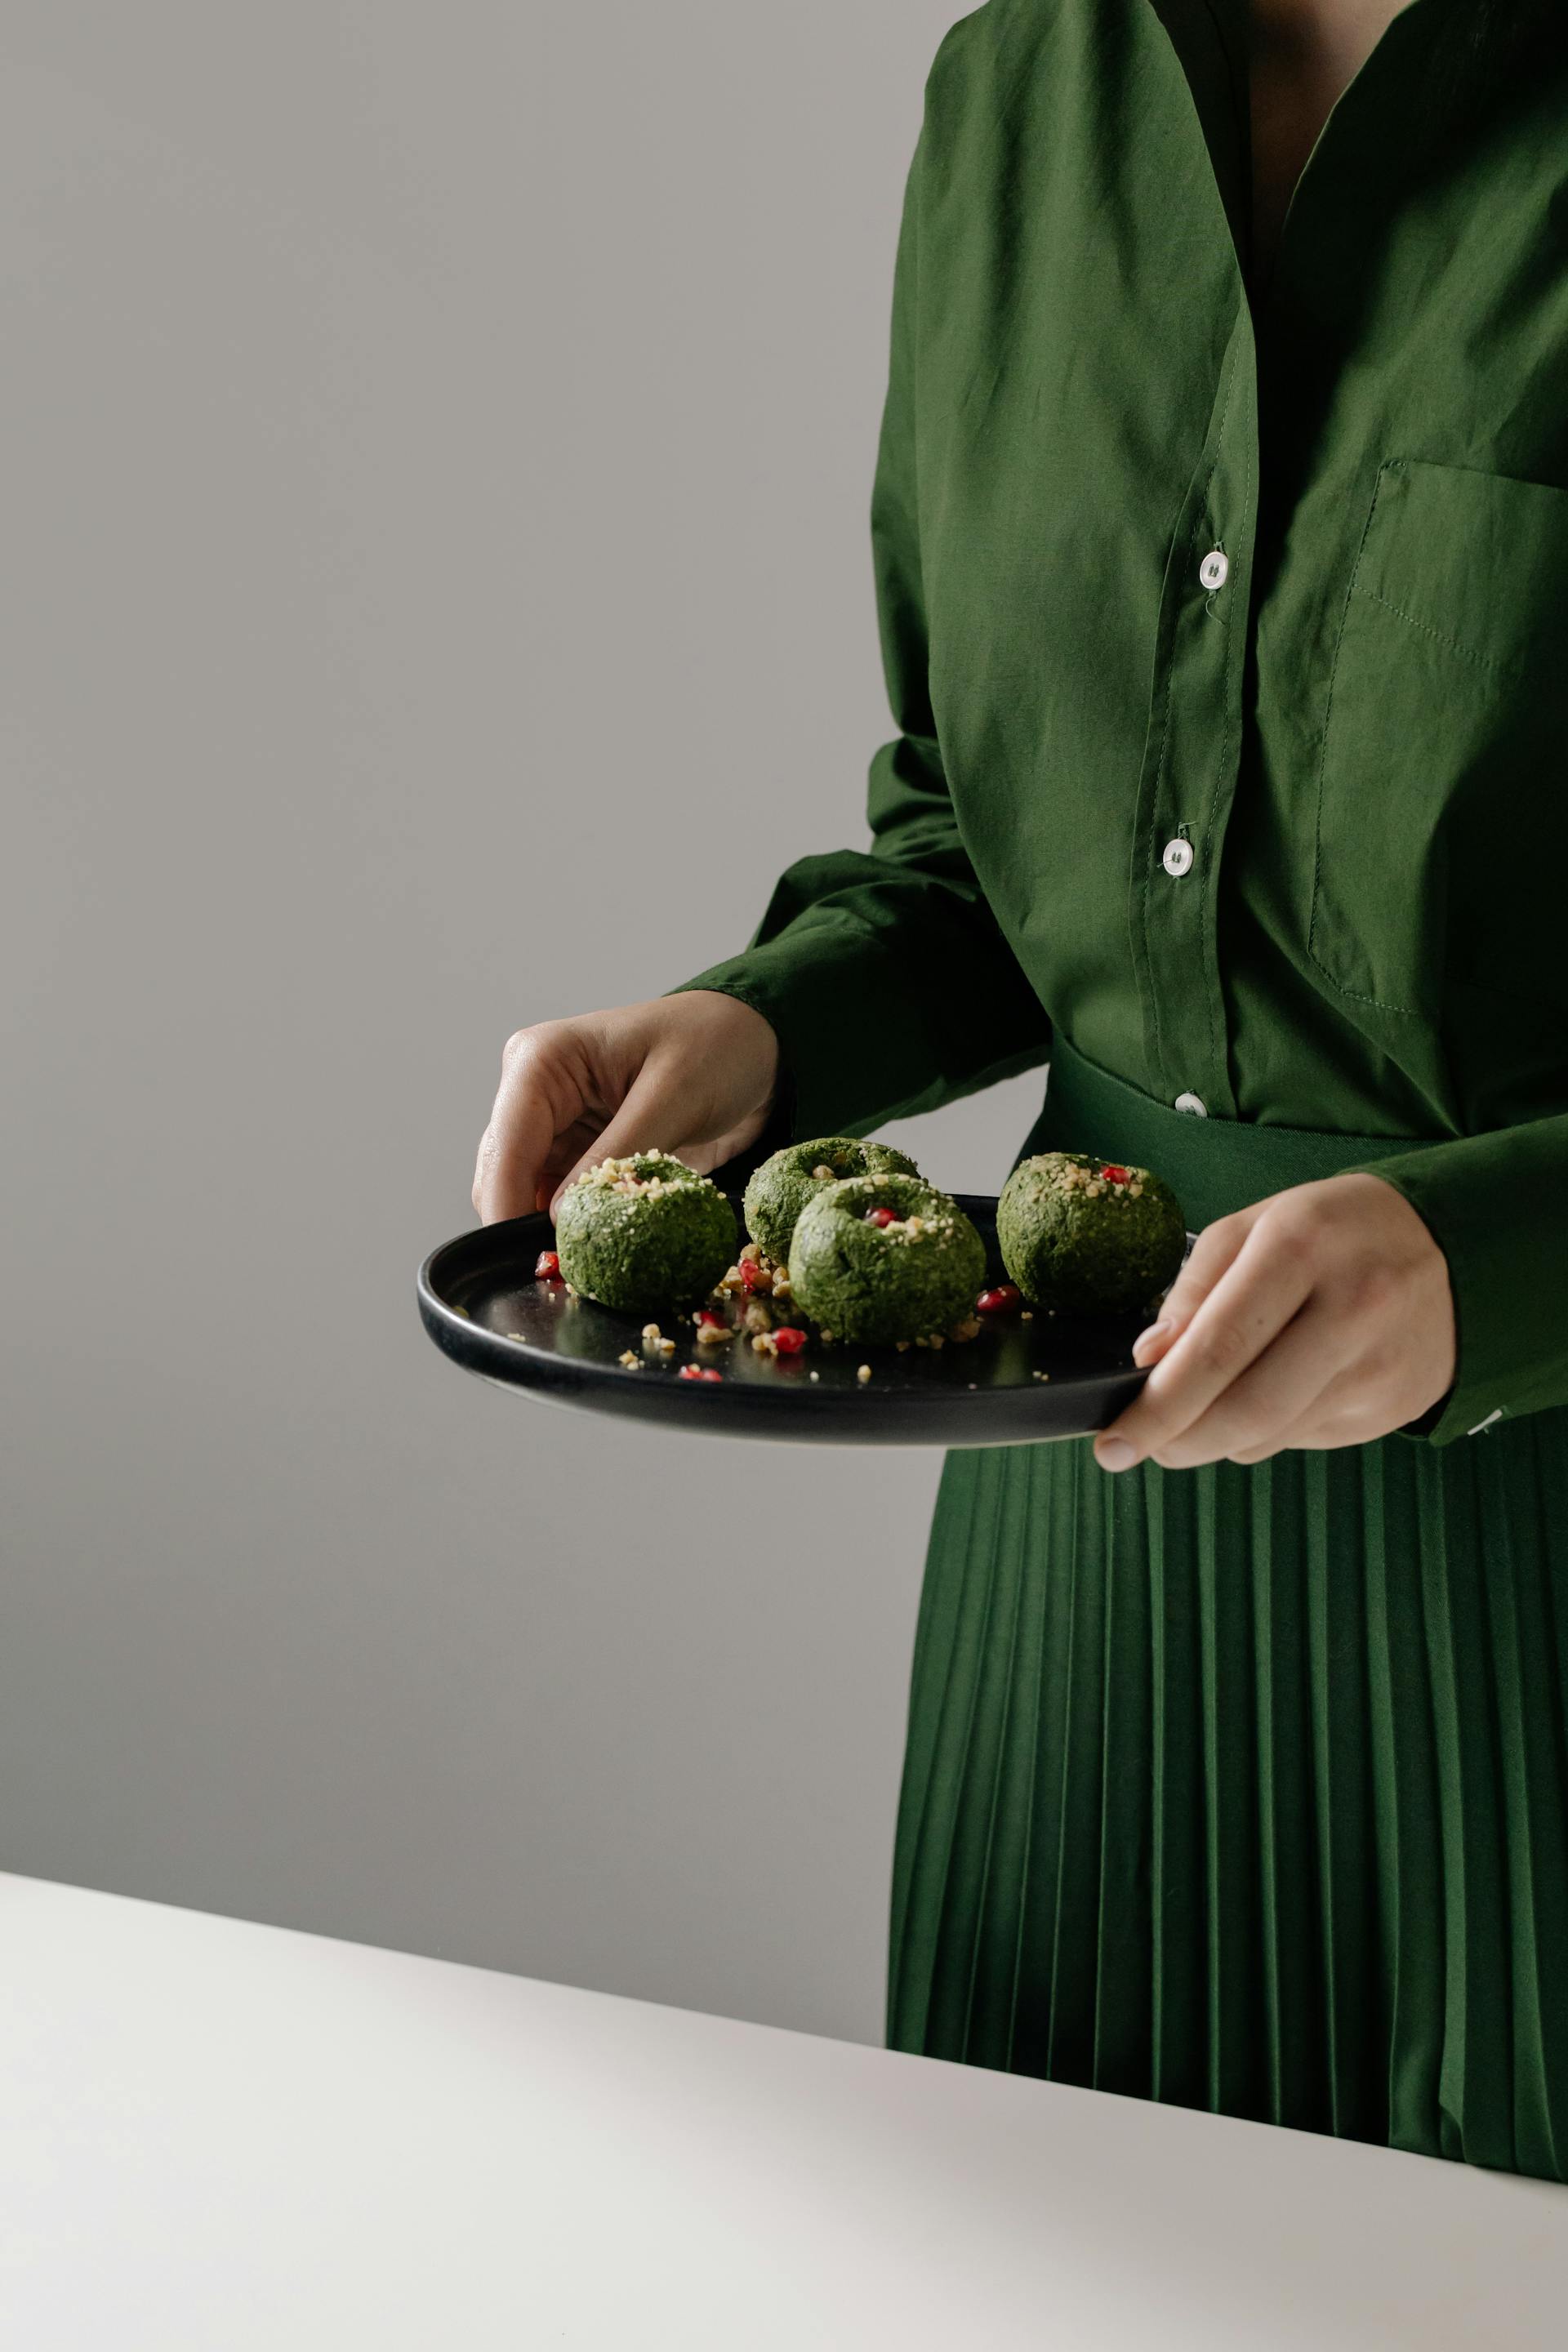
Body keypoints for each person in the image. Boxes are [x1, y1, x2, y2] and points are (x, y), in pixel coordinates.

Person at [473, 0, 1568, 2181]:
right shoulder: (1019, 94)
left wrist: (1506, 1253)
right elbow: (1007, 832)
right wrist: (776, 1030)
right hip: (1086, 1581)